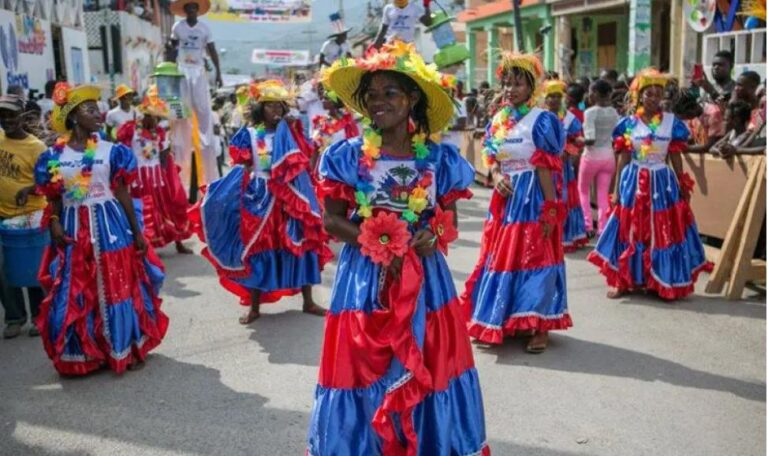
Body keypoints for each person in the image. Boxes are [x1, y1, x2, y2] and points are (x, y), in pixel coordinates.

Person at [307, 40, 488, 456]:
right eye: (371, 95)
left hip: (425, 280)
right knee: (364, 366)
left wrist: (431, 235)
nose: (378, 102)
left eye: (390, 93)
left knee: (428, 359)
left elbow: (447, 220)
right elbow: (331, 220)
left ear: (412, 101)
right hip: (365, 279)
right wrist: (377, 243)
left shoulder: (439, 159)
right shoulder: (347, 156)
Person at [33, 83, 167, 375]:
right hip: (71, 228)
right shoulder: (53, 156)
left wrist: (138, 232)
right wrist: (54, 222)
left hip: (111, 227)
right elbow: (53, 197)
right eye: (89, 109)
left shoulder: (112, 151)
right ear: (72, 116)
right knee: (76, 288)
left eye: (97, 108)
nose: (98, 113)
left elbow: (122, 193)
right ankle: (83, 353)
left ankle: (122, 346)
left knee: (117, 286)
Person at [190, 80, 329, 324]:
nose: (276, 111)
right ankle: (254, 307)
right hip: (261, 197)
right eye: (270, 106)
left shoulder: (292, 132)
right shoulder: (251, 135)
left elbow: (306, 158)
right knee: (256, 249)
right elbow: (241, 168)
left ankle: (308, 301)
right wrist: (221, 194)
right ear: (260, 109)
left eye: (279, 106)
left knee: (301, 244)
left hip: (290, 197)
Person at [461, 52, 570, 352]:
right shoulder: (499, 120)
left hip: (533, 198)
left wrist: (550, 210)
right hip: (506, 202)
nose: (511, 90)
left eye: (518, 84)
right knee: (503, 259)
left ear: (532, 87)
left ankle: (539, 326)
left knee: (537, 258)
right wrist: (495, 176)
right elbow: (492, 159)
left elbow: (546, 167)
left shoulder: (543, 120)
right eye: (507, 84)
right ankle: (505, 318)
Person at [588, 69, 712, 301]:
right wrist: (615, 191)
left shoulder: (672, 124)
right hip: (633, 182)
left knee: (662, 230)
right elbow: (623, 158)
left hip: (662, 184)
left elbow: (675, 156)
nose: (654, 99)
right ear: (639, 96)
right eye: (649, 94)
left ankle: (661, 280)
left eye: (659, 94)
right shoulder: (628, 124)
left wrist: (683, 185)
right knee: (629, 228)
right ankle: (623, 279)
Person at [116, 86, 193, 254]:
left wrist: (169, 178)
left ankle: (178, 242)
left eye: (158, 117)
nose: (155, 121)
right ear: (143, 115)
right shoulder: (130, 131)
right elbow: (122, 153)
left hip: (157, 179)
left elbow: (165, 157)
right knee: (142, 211)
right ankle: (144, 245)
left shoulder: (158, 132)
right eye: (152, 117)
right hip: (139, 180)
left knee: (168, 207)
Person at [0, 95, 47, 338]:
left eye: (11, 115)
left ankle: (39, 316)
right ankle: (15, 317)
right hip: (1, 216)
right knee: (3, 270)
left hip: (30, 216)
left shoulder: (36, 147)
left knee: (30, 269)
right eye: (2, 115)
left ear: (22, 116)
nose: (6, 120)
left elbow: (51, 181)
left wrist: (29, 189)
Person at [170, 0, 222, 190]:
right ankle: (180, 144)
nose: (191, 10)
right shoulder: (178, 27)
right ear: (184, 11)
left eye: (194, 8)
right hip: (182, 70)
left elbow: (213, 51)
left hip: (199, 71)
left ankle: (206, 144)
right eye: (188, 8)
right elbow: (171, 49)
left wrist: (219, 73)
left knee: (202, 110)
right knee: (181, 112)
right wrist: (168, 71)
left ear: (198, 11)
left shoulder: (204, 28)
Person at [543, 79, 588, 251]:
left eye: (557, 96)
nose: (554, 100)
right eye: (550, 96)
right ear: (545, 99)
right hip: (544, 168)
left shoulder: (570, 119)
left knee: (565, 200)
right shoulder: (539, 116)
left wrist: (569, 150)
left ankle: (566, 237)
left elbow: (577, 141)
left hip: (563, 169)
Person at [580, 79, 620, 236]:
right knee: (603, 194)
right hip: (608, 156)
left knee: (583, 191)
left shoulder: (590, 112)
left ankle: (587, 225)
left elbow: (590, 139)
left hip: (591, 156)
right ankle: (603, 229)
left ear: (595, 94)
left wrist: (577, 140)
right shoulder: (614, 112)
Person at [309, 83, 359, 172]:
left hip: (342, 166)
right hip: (322, 166)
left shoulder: (348, 122)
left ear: (335, 101)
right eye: (323, 98)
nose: (323, 100)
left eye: (326, 98)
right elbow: (315, 149)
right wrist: (312, 170)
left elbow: (354, 146)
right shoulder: (320, 121)